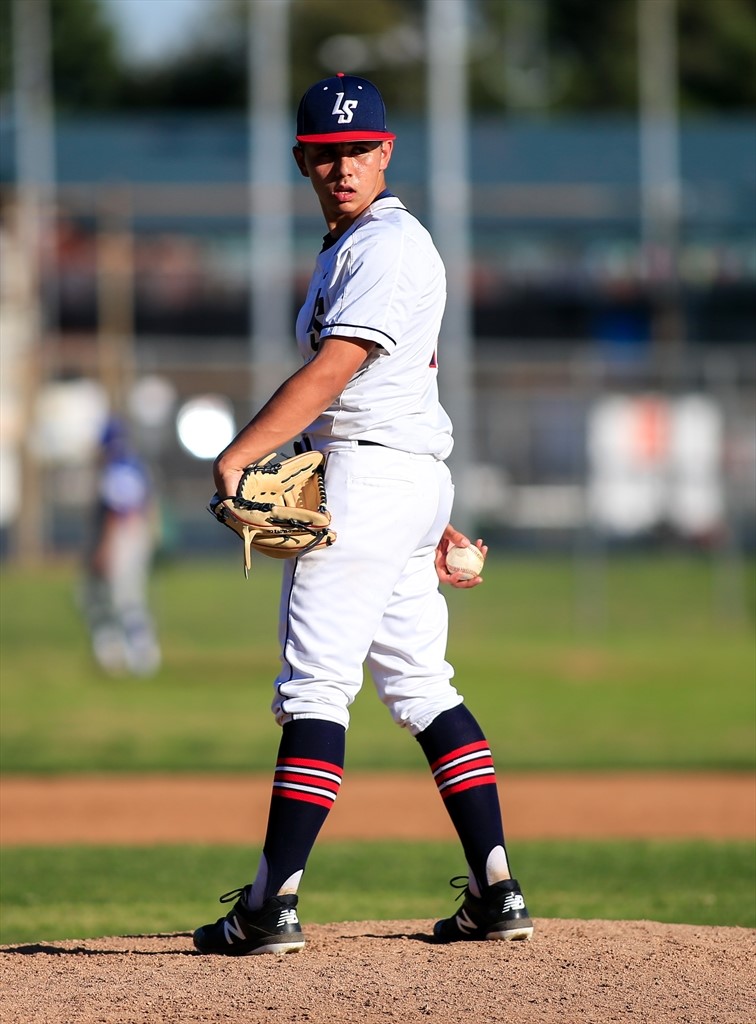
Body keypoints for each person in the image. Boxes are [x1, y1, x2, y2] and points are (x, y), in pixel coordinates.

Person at [193, 73, 533, 955]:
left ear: (386, 152)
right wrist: (416, 517)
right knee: (423, 687)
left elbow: (337, 369)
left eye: (359, 150)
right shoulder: (350, 245)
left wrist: (242, 454)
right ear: (305, 163)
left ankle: (270, 907)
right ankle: (497, 892)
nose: (343, 166)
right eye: (325, 154)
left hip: (374, 478)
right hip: (402, 478)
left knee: (315, 690)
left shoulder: (384, 244)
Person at [81, 416, 161, 677]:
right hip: (135, 535)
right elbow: (148, 507)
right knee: (121, 596)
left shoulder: (118, 467)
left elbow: (119, 511)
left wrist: (105, 548)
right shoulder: (134, 464)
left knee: (120, 598)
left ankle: (136, 654)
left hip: (121, 537)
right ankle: (130, 653)